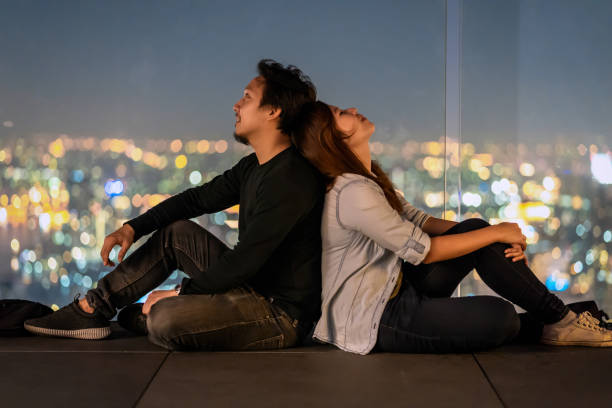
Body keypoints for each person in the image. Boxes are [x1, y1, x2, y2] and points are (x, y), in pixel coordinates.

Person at [23, 60, 325, 351]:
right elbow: (196, 199)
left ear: (273, 111)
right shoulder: (255, 166)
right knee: (176, 234)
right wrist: (133, 227)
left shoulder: (291, 178)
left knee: (165, 320)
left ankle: (162, 315)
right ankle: (91, 309)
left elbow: (246, 260)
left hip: (280, 316)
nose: (236, 105)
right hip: (252, 289)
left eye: (247, 97)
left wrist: (179, 292)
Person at [291, 101, 612, 354]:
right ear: (332, 138)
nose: (354, 110)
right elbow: (425, 251)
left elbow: (421, 222)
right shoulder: (352, 192)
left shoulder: (367, 179)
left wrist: (491, 243)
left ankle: (561, 320)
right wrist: (496, 233)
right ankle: (556, 322)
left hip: (399, 288)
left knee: (474, 228)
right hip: (376, 319)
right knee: (501, 318)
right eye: (341, 114)